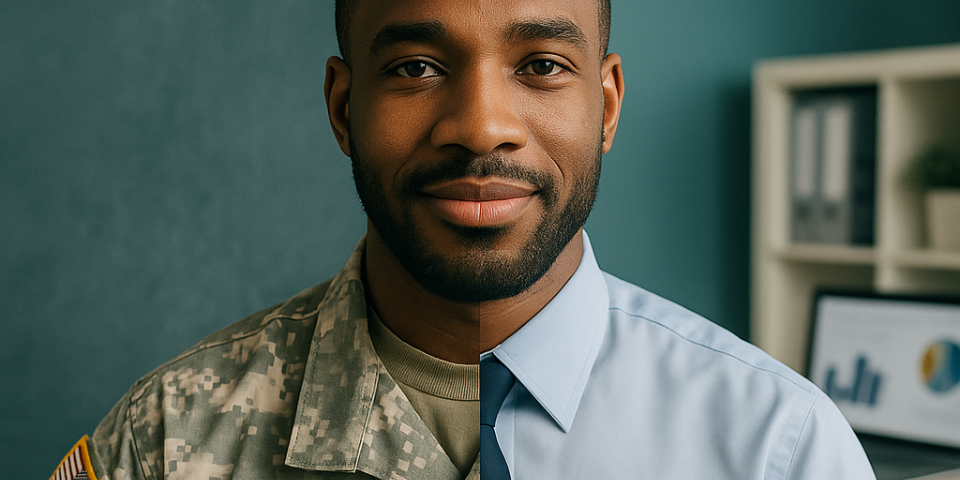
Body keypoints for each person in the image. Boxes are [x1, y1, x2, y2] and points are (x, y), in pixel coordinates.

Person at [50, 0, 877, 479]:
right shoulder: (162, 443)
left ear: (609, 103)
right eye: (415, 66)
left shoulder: (780, 448)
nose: (482, 127)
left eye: (543, 65)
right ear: (344, 108)